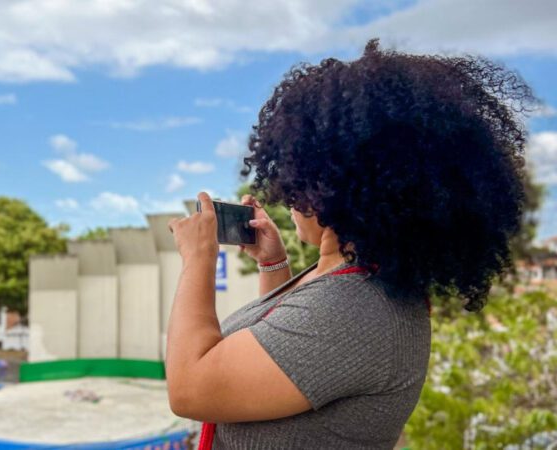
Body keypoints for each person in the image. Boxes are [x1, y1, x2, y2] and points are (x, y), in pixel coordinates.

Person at [165, 39, 535, 449]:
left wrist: (198, 258)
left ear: (335, 186)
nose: (288, 193)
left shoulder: (359, 308)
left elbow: (191, 388)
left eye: (299, 177)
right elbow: (280, 343)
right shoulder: (349, 282)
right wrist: (275, 267)